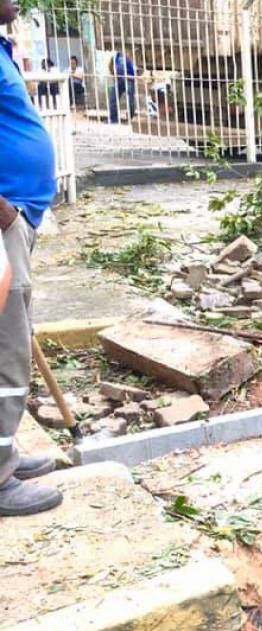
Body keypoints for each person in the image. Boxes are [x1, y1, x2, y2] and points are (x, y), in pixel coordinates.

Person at [0, 0, 63, 517]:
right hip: (3, 221)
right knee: (7, 352)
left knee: (10, 343)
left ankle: (6, 455)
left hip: (17, 217)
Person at [107, 50, 136, 123]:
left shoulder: (131, 56)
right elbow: (111, 64)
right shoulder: (117, 55)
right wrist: (114, 74)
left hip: (129, 79)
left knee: (130, 98)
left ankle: (130, 118)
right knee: (113, 97)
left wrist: (130, 76)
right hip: (119, 79)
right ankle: (113, 119)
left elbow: (137, 72)